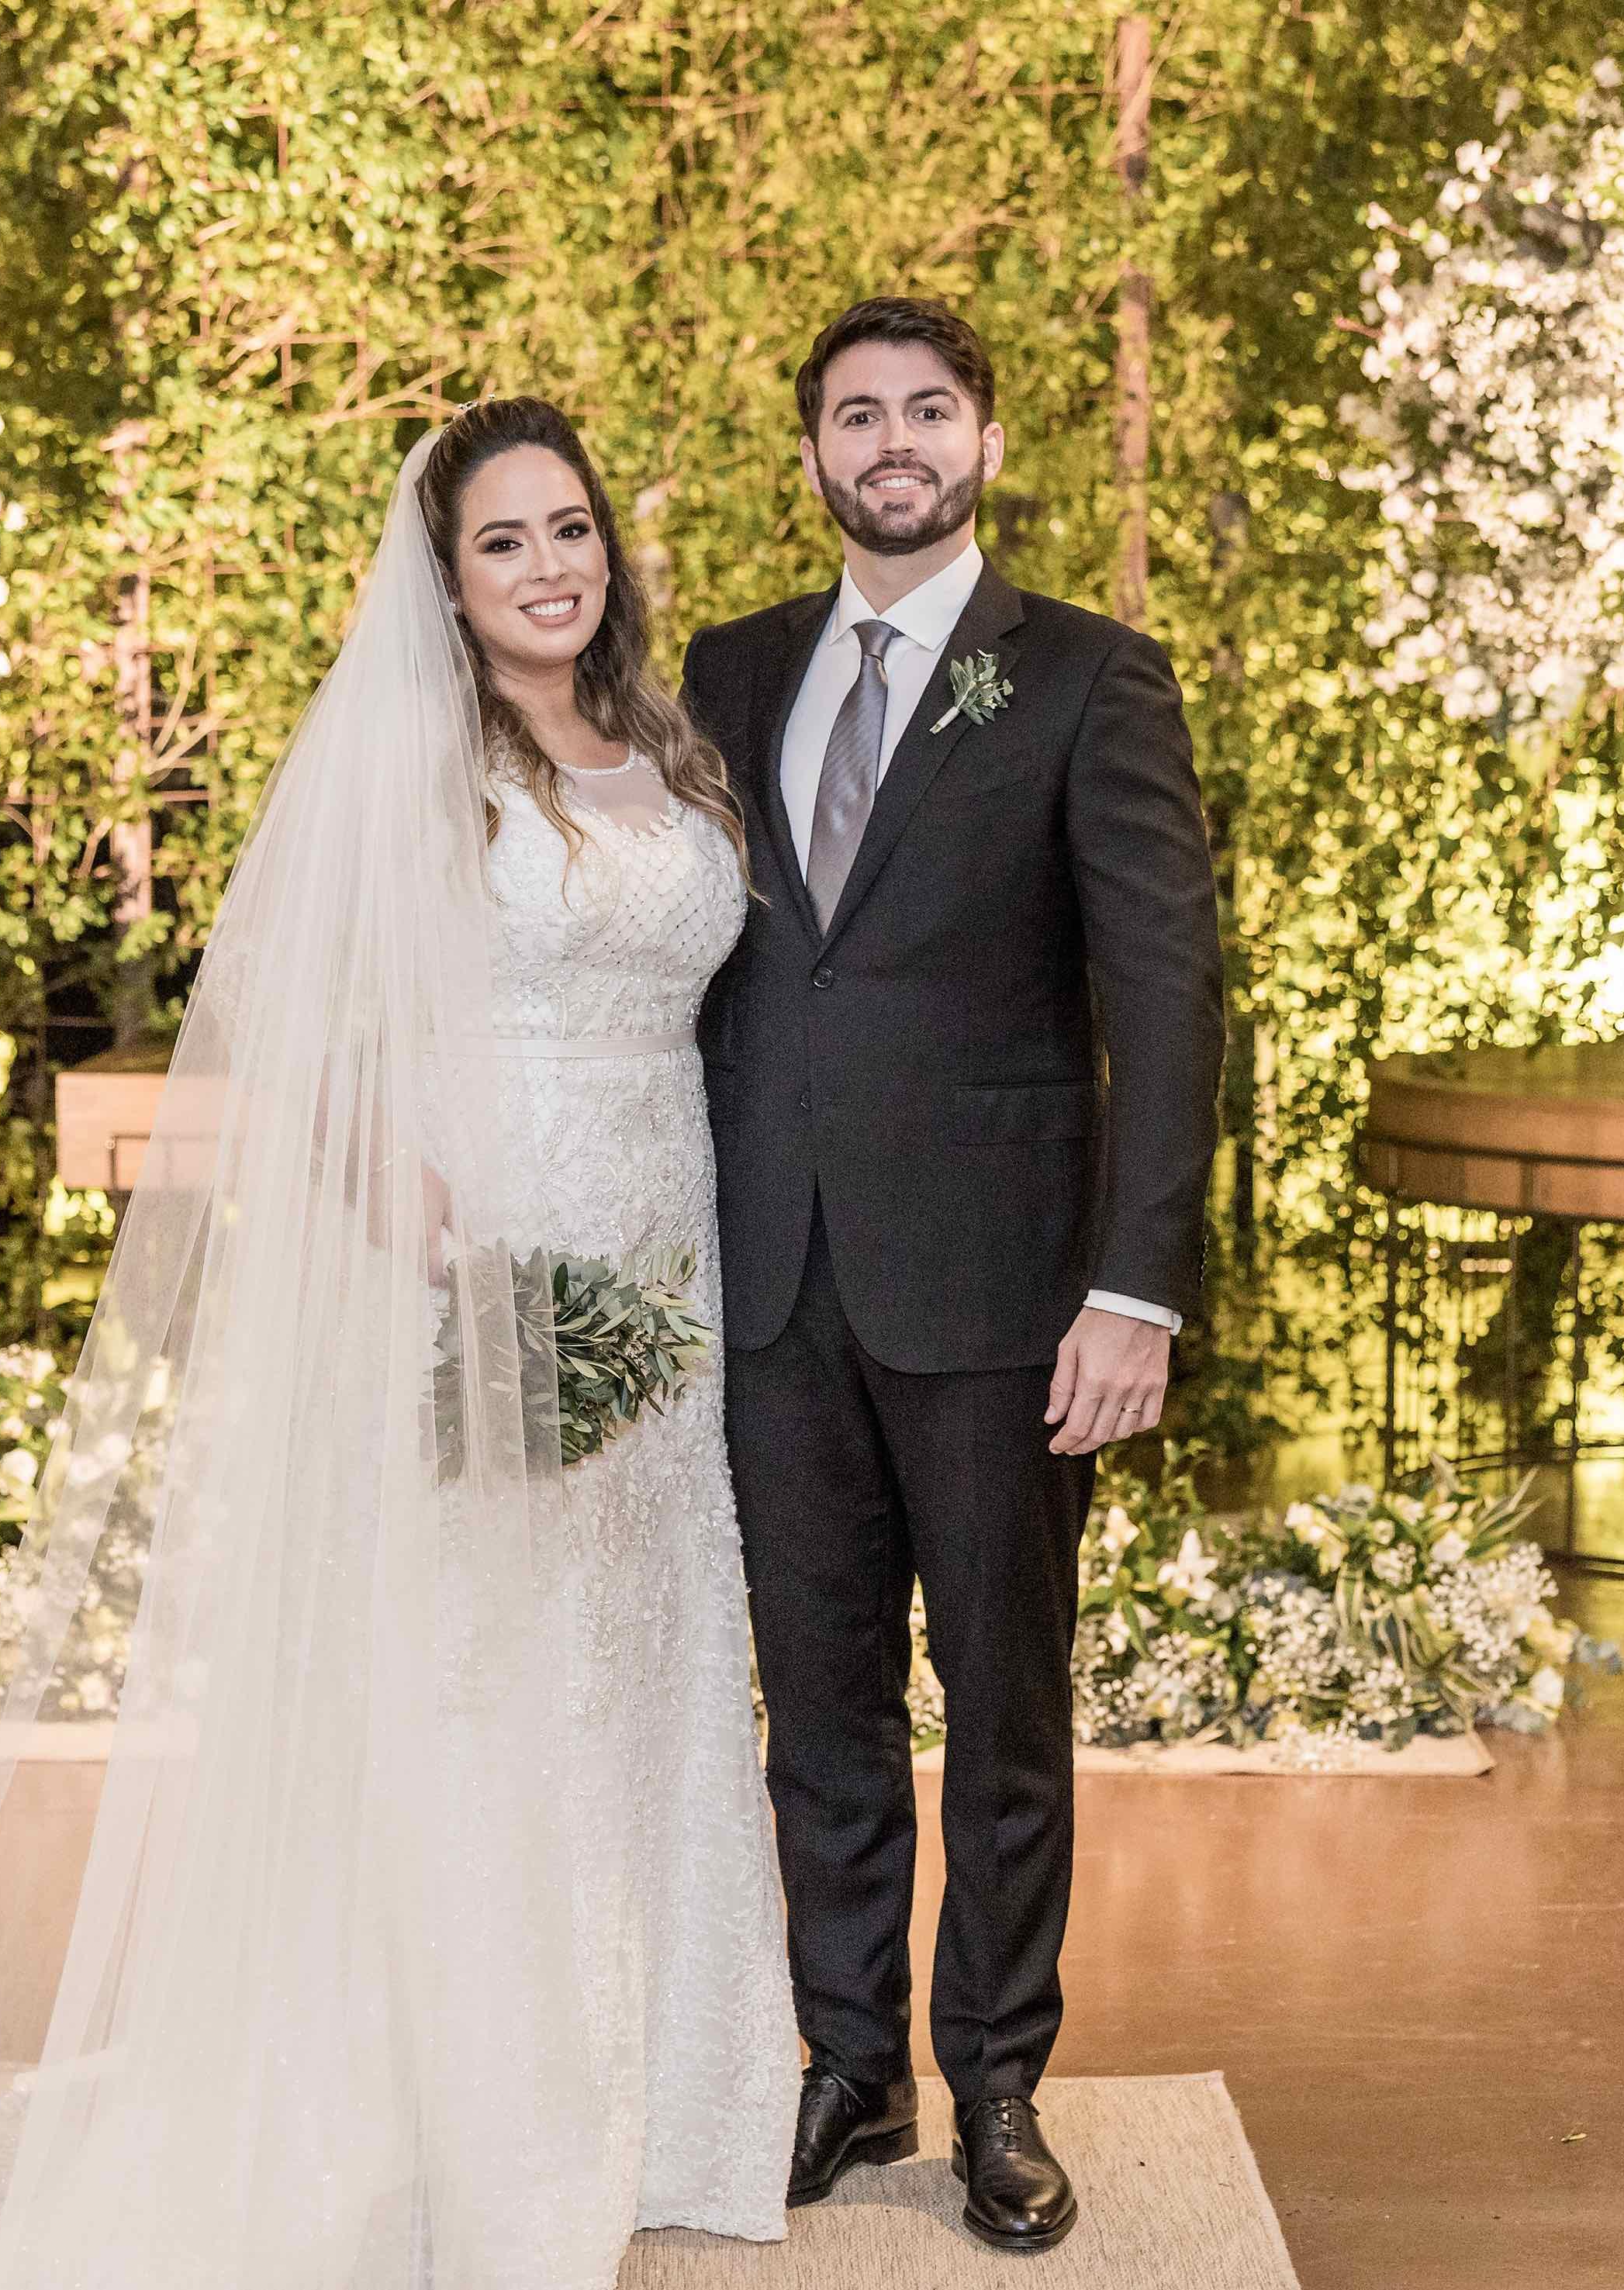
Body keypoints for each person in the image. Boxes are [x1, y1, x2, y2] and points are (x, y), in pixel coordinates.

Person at [0, 400, 796, 2288]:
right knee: (485, 1679)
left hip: (663, 1271)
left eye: (570, 528)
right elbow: (303, 1028)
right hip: (488, 1258)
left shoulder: (665, 745)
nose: (550, 566)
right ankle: (470, 2123)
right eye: (505, 541)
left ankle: (664, 2095)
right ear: (446, 584)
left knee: (644, 1661)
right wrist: (436, 1238)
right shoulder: (421, 771)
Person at [686, 296, 1225, 2254]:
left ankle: (996, 2078)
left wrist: (1136, 1288)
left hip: (1005, 1298)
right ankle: (850, 2062)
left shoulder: (1087, 678)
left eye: (928, 410)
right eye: (857, 415)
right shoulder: (732, 670)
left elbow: (1168, 994)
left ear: (985, 442)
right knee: (819, 1703)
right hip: (776, 1287)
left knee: (1002, 1705)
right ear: (813, 454)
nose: (892, 441)